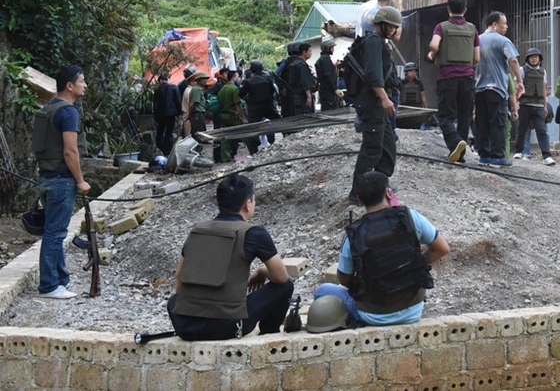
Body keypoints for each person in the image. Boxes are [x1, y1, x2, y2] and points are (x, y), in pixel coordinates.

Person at [167, 174, 293, 341]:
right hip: (228, 326)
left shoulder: (196, 231)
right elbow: (281, 277)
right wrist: (262, 271)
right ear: (248, 204)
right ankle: (269, 333)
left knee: (174, 300)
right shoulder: (254, 233)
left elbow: (179, 276)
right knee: (285, 286)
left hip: (186, 326)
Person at [314, 171, 448, 326]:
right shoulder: (410, 217)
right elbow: (442, 249)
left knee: (322, 292)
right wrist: (413, 265)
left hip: (372, 314)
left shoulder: (353, 234)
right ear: (388, 193)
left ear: (359, 199)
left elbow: (344, 280)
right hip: (413, 309)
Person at [33, 65, 91, 299]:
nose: (85, 85)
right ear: (69, 85)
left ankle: (60, 280)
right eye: (82, 81)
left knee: (53, 231)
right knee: (55, 234)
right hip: (62, 180)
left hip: (46, 177)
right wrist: (80, 180)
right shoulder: (68, 112)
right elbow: (70, 151)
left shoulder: (48, 108)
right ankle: (49, 285)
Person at [349, 6, 403, 204]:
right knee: (372, 149)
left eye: (395, 27)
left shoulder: (380, 43)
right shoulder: (373, 41)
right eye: (392, 26)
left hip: (377, 102)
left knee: (388, 145)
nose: (394, 30)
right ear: (382, 25)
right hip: (372, 101)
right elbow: (373, 74)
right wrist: (384, 98)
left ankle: (381, 185)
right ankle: (357, 194)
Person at [428, 0, 480, 163]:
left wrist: (433, 53)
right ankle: (460, 155)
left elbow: (434, 45)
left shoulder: (441, 27)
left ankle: (455, 142)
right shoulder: (472, 29)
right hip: (467, 78)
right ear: (465, 10)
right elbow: (477, 58)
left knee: (445, 116)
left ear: (448, 9)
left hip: (448, 78)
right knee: (464, 117)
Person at [475, 11, 523, 167]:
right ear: (494, 25)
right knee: (498, 123)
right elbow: (513, 60)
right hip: (496, 89)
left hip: (479, 89)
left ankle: (484, 156)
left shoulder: (477, 40)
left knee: (482, 123)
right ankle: (497, 157)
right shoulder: (503, 41)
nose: (506, 27)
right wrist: (519, 80)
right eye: (504, 23)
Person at [513, 48, 556, 165]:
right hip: (525, 104)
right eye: (531, 57)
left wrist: (545, 106)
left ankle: (547, 156)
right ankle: (518, 151)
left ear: (539, 59)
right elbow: (516, 86)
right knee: (522, 129)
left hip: (538, 105)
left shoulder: (543, 71)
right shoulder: (522, 70)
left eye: (536, 57)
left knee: (542, 131)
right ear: (527, 59)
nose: (534, 59)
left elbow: (544, 89)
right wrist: (515, 103)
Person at [240, 61, 280, 155]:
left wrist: (248, 99)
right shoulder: (268, 79)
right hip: (268, 106)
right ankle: (284, 139)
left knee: (253, 129)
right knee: (279, 121)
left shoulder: (249, 81)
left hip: (255, 109)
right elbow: (272, 91)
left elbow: (241, 94)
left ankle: (254, 151)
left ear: (252, 70)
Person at [215, 69, 247, 163]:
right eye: (237, 77)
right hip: (233, 116)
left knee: (225, 137)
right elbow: (237, 104)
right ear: (233, 78)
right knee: (245, 133)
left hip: (223, 115)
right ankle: (254, 152)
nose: (238, 79)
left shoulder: (222, 89)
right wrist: (243, 118)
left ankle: (225, 158)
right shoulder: (234, 89)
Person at [153, 73, 182, 156]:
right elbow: (178, 100)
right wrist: (179, 112)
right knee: (169, 132)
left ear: (160, 81)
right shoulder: (174, 87)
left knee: (160, 132)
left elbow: (155, 105)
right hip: (171, 114)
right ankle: (167, 150)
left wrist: (155, 117)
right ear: (166, 80)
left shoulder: (157, 90)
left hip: (161, 115)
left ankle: (161, 147)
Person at [284, 42, 315, 117]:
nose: (311, 53)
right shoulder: (302, 65)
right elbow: (304, 81)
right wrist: (309, 96)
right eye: (309, 51)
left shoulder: (293, 64)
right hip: (303, 96)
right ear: (304, 52)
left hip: (295, 97)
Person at [315, 35, 341, 111]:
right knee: (331, 112)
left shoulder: (323, 59)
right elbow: (327, 75)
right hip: (328, 92)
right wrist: (335, 89)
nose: (333, 49)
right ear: (327, 48)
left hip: (326, 91)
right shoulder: (325, 59)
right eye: (332, 47)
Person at [181, 71, 209, 137]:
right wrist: (189, 115)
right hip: (197, 115)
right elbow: (192, 104)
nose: (206, 81)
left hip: (197, 114)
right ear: (199, 80)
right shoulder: (196, 89)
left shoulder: (196, 89)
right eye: (204, 79)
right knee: (199, 135)